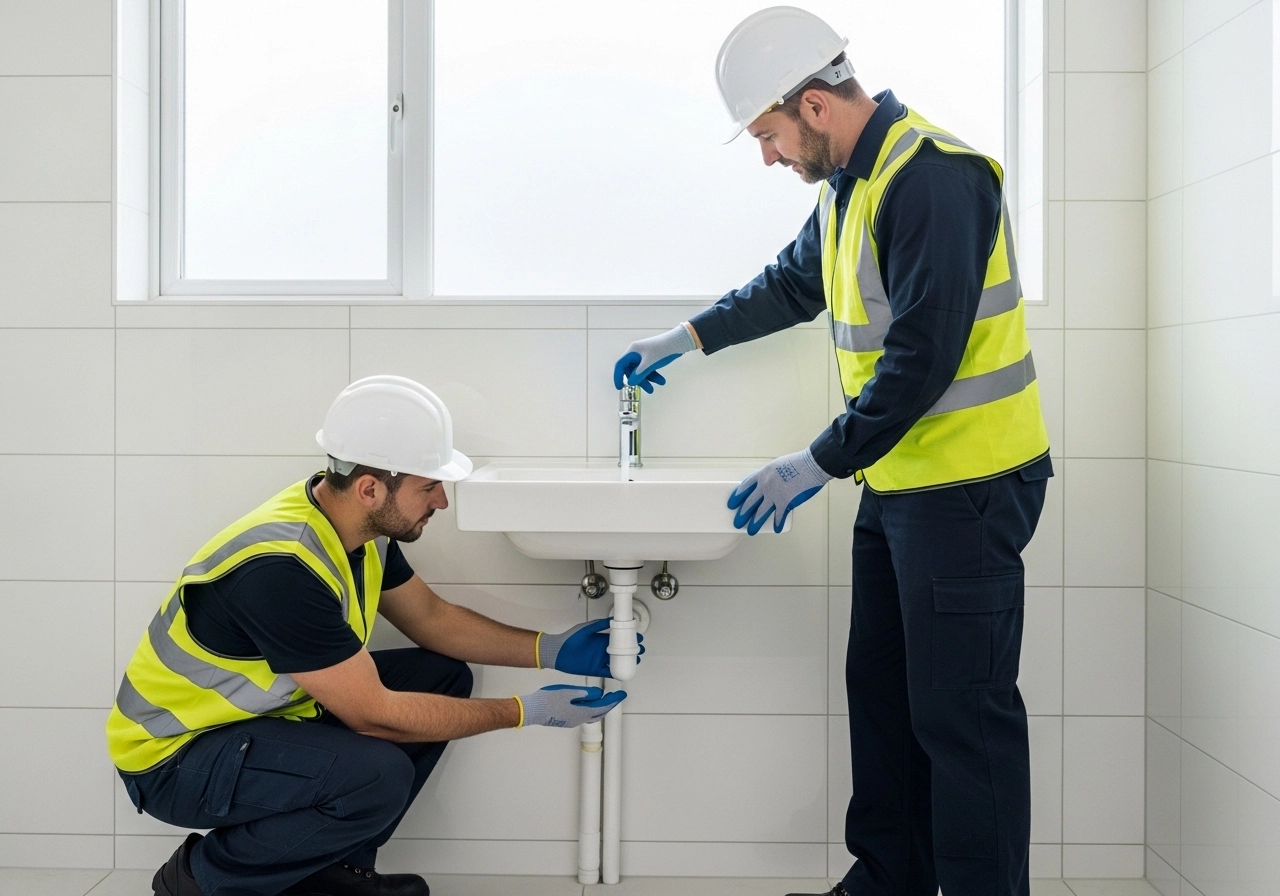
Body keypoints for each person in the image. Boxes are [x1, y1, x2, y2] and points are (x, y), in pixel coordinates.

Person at [614, 8, 1051, 896]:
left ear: (814, 105)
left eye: (769, 135)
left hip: (967, 489)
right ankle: (887, 879)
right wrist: (689, 336)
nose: (768, 156)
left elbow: (922, 357)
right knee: (886, 705)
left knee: (963, 721)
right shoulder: (853, 182)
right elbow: (793, 282)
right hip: (900, 486)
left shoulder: (934, 179)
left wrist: (815, 461)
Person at [107, 376, 633, 896]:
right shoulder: (281, 567)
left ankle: (332, 873)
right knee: (377, 774)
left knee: (440, 676)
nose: (442, 502)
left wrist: (550, 648)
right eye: (429, 486)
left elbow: (431, 619)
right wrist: (524, 712)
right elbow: (373, 714)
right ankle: (199, 880)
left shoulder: (359, 532)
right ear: (370, 487)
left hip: (258, 721)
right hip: (175, 756)